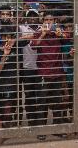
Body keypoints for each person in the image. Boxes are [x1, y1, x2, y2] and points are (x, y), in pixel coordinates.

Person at [31, 11, 69, 139]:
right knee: (42, 103)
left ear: (54, 22)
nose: (48, 22)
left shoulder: (57, 33)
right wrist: (43, 33)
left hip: (57, 73)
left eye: (51, 20)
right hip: (43, 73)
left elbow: (68, 40)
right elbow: (34, 46)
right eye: (46, 20)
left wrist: (61, 34)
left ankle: (57, 129)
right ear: (43, 22)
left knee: (57, 103)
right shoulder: (38, 32)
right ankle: (41, 131)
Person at [19, 10, 43, 127]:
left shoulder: (43, 28)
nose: (32, 18)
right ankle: (31, 121)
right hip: (27, 68)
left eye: (35, 16)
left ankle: (40, 122)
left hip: (41, 68)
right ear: (27, 18)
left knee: (40, 96)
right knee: (29, 96)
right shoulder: (22, 28)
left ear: (38, 18)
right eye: (30, 16)